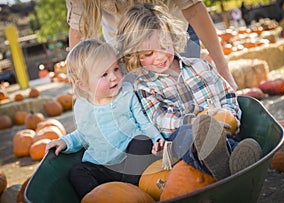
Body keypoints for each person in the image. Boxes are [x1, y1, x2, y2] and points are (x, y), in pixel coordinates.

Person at [116, 2, 262, 180]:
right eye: (148, 54)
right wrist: (198, 122)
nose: (160, 57)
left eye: (164, 46)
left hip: (221, 132)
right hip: (183, 145)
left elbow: (227, 95)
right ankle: (228, 164)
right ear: (135, 56)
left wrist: (228, 117)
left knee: (224, 139)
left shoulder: (200, 66)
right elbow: (160, 120)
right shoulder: (145, 86)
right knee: (187, 136)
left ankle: (230, 160)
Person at [45, 39, 165, 199]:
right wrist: (66, 142)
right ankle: (100, 198)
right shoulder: (83, 106)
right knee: (77, 172)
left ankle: (131, 191)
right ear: (84, 85)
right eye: (104, 74)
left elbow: (143, 122)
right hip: (102, 166)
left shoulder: (126, 94)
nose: (114, 77)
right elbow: (84, 134)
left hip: (129, 161)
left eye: (116, 69)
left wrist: (157, 138)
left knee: (142, 141)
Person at [66, 0, 238, 90]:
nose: (159, 58)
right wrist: (81, 94)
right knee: (145, 101)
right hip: (126, 48)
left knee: (188, 88)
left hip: (171, 36)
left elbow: (193, 9)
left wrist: (223, 71)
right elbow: (79, 32)